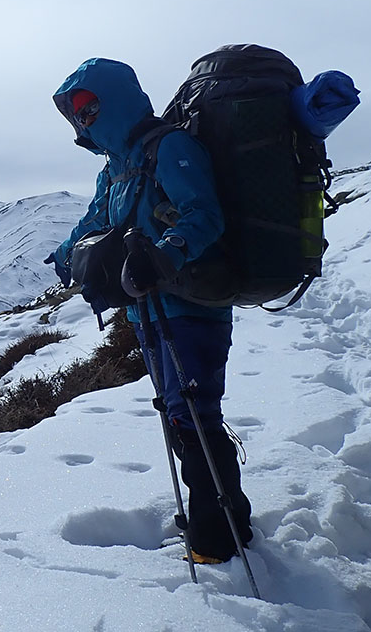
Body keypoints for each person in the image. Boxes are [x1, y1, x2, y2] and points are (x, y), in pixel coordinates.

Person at [45, 57, 254, 564]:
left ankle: (218, 536)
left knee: (196, 417)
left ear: (115, 99)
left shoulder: (172, 148)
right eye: (78, 113)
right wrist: (66, 254)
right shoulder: (116, 169)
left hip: (191, 306)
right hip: (148, 310)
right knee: (178, 415)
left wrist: (165, 254)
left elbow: (204, 214)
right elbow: (96, 220)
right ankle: (223, 514)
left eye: (91, 107)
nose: (86, 120)